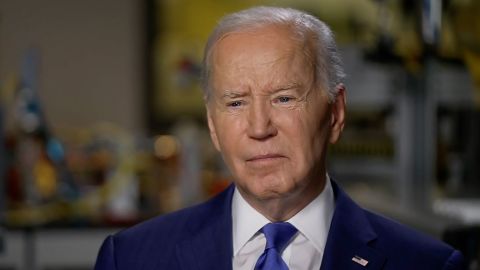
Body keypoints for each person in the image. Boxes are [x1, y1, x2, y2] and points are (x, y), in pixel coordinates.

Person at [94, 6, 465, 270]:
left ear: (335, 113)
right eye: (236, 103)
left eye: (284, 98)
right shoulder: (131, 259)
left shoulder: (426, 264)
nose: (259, 128)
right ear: (212, 125)